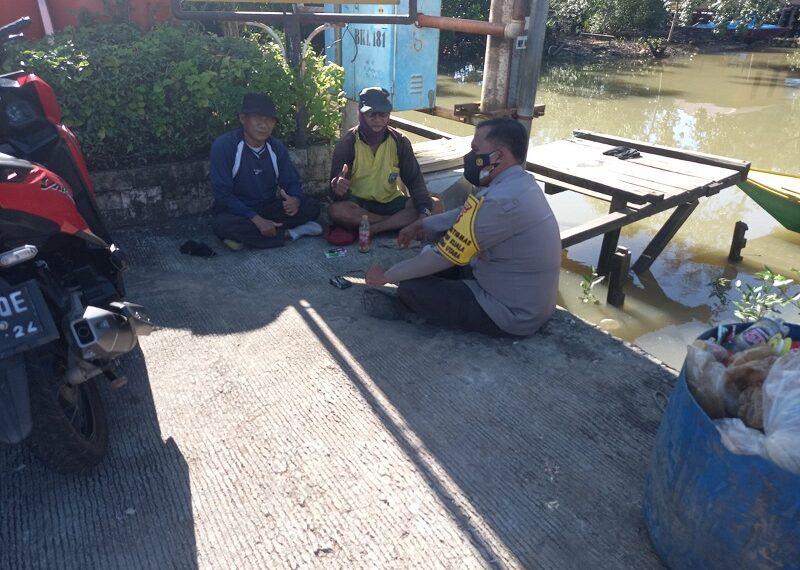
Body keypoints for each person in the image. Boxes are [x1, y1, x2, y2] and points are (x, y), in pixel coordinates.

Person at [364, 117, 561, 337]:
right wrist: (424, 224)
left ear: (499, 155)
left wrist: (387, 276)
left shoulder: (500, 203)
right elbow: (468, 214)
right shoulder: (520, 184)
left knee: (411, 287)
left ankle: (408, 312)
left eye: (476, 150)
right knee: (427, 263)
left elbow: (445, 254)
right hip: (516, 293)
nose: (470, 158)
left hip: (510, 313)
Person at [210, 93, 322, 250]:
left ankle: (253, 239)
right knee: (222, 225)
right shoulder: (224, 146)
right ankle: (291, 233)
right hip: (240, 211)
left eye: (269, 120)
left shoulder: (276, 148)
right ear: (243, 119)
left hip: (268, 207)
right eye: (258, 118)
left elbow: (290, 182)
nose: (264, 125)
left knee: (312, 207)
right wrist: (256, 219)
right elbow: (223, 194)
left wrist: (295, 200)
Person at [328, 87, 440, 239]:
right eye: (371, 114)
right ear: (361, 114)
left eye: (383, 114)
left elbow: (415, 182)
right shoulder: (347, 143)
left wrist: (423, 212)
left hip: (391, 201)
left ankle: (373, 229)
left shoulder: (400, 141)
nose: (378, 119)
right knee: (337, 211)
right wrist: (337, 185)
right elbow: (335, 187)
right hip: (360, 204)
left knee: (436, 205)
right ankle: (396, 224)